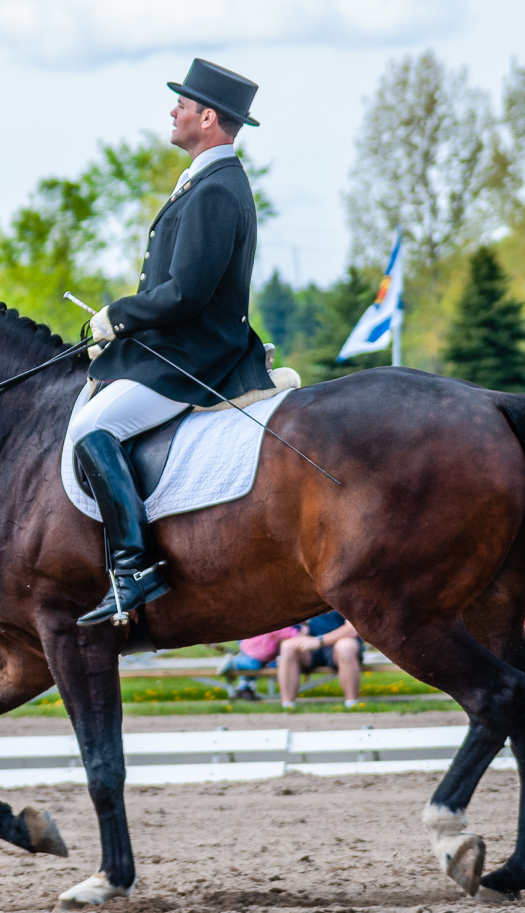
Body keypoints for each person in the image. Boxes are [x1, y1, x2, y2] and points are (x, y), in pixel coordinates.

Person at [67, 59, 274, 626]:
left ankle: (133, 568)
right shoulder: (208, 181)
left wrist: (117, 315)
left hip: (194, 357)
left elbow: (185, 293)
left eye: (182, 104)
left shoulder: (216, 190)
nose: (173, 110)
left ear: (208, 118)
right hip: (173, 346)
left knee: (93, 429)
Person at [277, 610, 362, 710]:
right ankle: (287, 707)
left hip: (339, 641)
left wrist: (320, 640)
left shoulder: (346, 595)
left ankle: (352, 704)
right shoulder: (304, 597)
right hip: (310, 645)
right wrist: (299, 632)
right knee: (287, 647)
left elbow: (352, 629)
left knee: (345, 647)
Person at [218, 625, 299, 700]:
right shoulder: (274, 624)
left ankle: (244, 687)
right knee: (254, 666)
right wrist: (299, 633)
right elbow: (285, 632)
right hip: (255, 651)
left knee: (258, 669)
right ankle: (233, 662)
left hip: (264, 655)